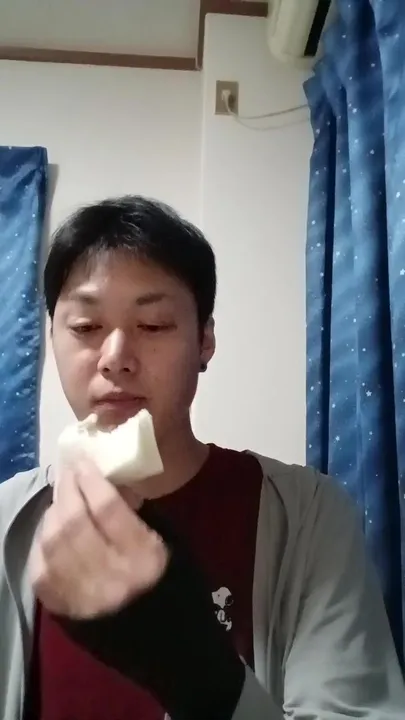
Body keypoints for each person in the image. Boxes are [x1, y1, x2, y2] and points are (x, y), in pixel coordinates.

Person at [0, 196, 404, 720]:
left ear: (205, 340)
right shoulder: (7, 520)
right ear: (52, 336)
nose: (115, 358)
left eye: (153, 325)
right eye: (85, 327)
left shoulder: (310, 516)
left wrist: (195, 669)